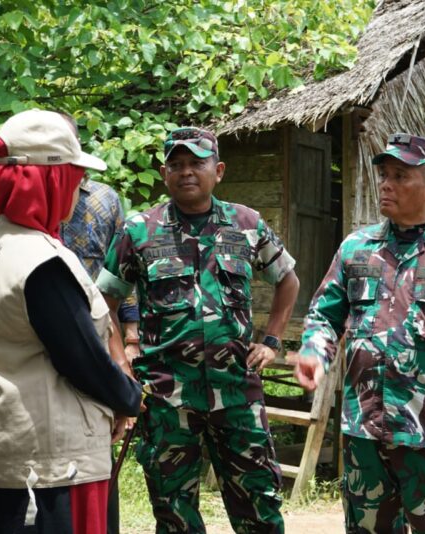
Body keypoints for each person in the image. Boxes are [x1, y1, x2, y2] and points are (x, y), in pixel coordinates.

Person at [293, 132, 425, 533]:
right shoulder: (356, 248)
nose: (386, 184)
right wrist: (314, 351)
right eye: (384, 175)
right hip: (364, 432)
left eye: (400, 176)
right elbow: (324, 314)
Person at [96, 126, 299, 533]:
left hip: (237, 391)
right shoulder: (139, 230)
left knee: (259, 505)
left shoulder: (247, 223)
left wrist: (272, 340)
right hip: (168, 394)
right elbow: (105, 301)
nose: (186, 172)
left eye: (196, 163)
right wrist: (120, 360)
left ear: (218, 170)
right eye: (176, 164)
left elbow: (287, 280)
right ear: (164, 172)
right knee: (173, 510)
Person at [0, 109, 142, 533]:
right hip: (51, 465)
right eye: (73, 176)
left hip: (14, 451)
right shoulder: (41, 263)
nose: (80, 188)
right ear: (48, 179)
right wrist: (129, 396)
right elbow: (81, 356)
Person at [57, 114, 139, 534]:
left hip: (98, 335)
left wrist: (130, 333)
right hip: (49, 338)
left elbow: (122, 270)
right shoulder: (35, 196)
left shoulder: (105, 198)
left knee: (101, 442)